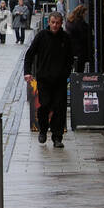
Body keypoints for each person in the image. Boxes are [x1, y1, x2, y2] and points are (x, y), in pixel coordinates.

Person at [25, 11, 75, 148]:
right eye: (53, 22)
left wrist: (66, 72)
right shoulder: (41, 36)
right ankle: (42, 129)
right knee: (44, 105)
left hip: (60, 80)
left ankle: (57, 137)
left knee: (59, 108)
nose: (55, 25)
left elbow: (70, 58)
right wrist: (27, 72)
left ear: (61, 23)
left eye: (58, 23)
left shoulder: (65, 38)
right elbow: (30, 54)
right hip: (44, 79)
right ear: (49, 22)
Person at [65, 4, 92, 74]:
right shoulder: (80, 25)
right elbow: (84, 37)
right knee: (79, 71)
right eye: (84, 14)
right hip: (80, 51)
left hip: (71, 51)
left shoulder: (70, 22)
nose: (85, 15)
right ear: (81, 14)